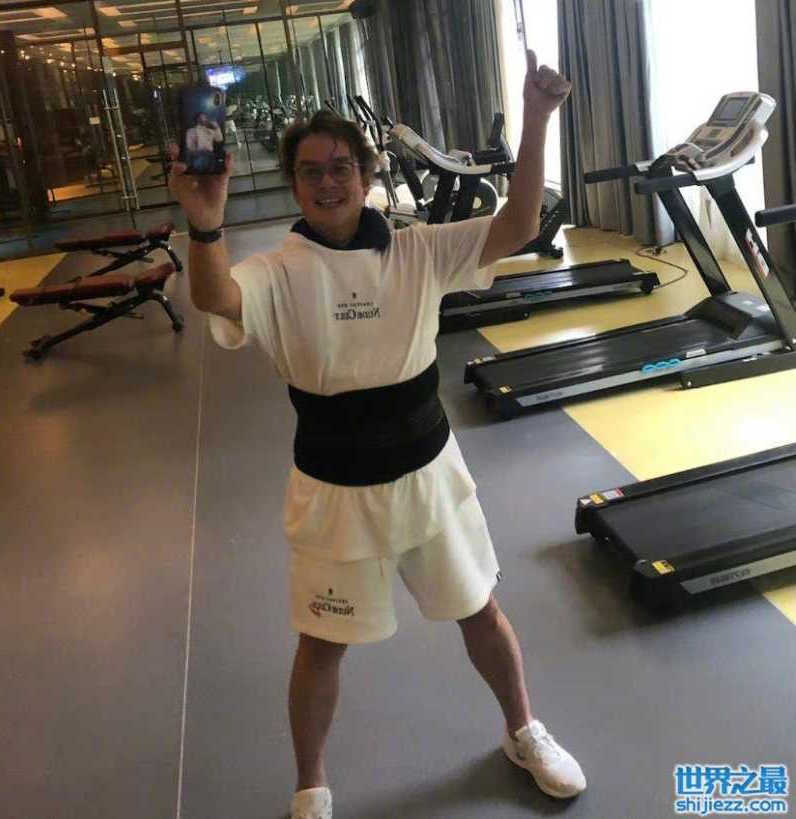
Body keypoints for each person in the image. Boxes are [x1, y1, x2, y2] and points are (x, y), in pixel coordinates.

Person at [170, 50, 585, 819]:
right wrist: (205, 224)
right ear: (294, 183)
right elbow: (215, 296)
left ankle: (522, 730)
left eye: (340, 168)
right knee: (320, 644)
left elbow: (519, 224)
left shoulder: (418, 249)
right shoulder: (277, 271)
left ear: (365, 176)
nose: (327, 182)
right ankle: (311, 784)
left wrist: (535, 119)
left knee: (481, 608)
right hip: (333, 490)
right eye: (310, 171)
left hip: (429, 476)